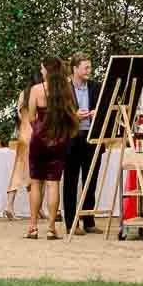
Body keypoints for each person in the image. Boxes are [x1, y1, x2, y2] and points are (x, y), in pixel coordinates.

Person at [24, 55, 78, 239]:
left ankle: (32, 226)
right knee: (53, 183)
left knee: (36, 182)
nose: (41, 71)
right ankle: (51, 227)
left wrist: (39, 130)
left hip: (39, 138)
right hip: (59, 138)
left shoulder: (36, 89)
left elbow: (31, 116)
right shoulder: (66, 90)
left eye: (42, 68)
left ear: (47, 70)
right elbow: (72, 113)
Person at [61, 52, 98, 234]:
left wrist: (95, 112)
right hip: (72, 138)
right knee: (71, 181)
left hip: (91, 137)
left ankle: (89, 221)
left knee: (91, 179)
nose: (89, 71)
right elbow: (58, 113)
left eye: (90, 67)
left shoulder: (95, 87)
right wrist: (73, 116)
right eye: (86, 67)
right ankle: (71, 223)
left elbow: (103, 106)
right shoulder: (64, 89)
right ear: (75, 68)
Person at [1, 73, 35, 218]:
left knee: (19, 169)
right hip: (35, 133)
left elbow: (20, 114)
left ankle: (9, 204)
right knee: (35, 170)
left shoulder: (23, 94)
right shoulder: (39, 93)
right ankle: (37, 208)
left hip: (23, 133)